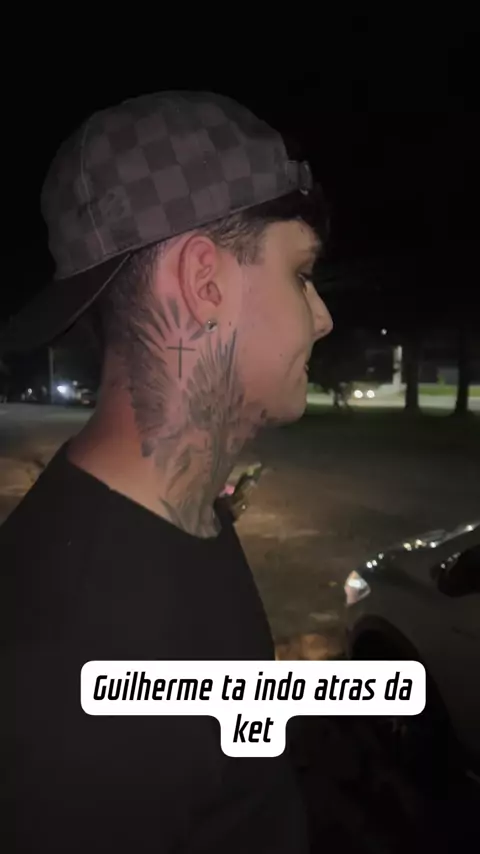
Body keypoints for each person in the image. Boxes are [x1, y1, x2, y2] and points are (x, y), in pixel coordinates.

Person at [1, 91, 332, 853]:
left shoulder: (184, 510)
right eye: (301, 272)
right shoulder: (68, 675)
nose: (322, 316)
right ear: (204, 281)